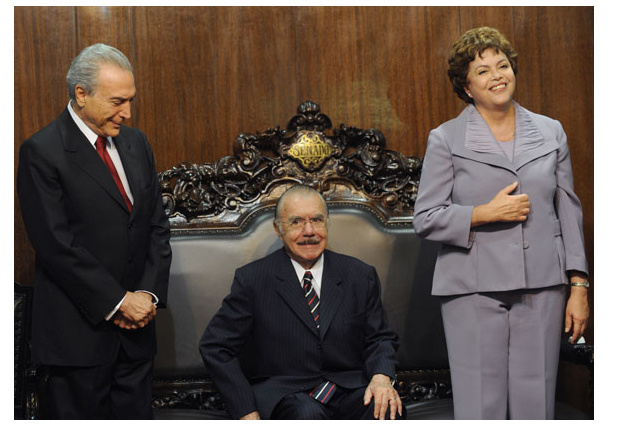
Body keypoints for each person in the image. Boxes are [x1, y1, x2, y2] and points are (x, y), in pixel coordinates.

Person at [412, 27, 589, 420]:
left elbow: (569, 211)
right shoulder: (445, 138)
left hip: (543, 284)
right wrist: (483, 213)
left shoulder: (551, 131)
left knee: (535, 405)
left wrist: (578, 284)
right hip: (471, 288)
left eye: (503, 65)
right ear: (466, 86)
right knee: (480, 407)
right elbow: (425, 218)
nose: (497, 75)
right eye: (482, 70)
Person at [16, 43, 172, 419]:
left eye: (131, 100)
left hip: (137, 336)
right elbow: (55, 245)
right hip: (78, 341)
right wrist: (118, 302)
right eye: (118, 101)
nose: (128, 112)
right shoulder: (42, 151)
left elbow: (156, 226)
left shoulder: (137, 143)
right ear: (81, 94)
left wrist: (147, 295)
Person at [199, 185, 403, 420]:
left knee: (385, 407)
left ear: (327, 223)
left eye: (317, 220)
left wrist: (381, 378)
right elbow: (216, 347)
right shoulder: (253, 280)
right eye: (296, 222)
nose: (309, 231)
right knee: (307, 414)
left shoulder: (359, 274)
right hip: (286, 393)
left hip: (348, 389)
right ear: (278, 229)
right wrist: (245, 409)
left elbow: (380, 338)